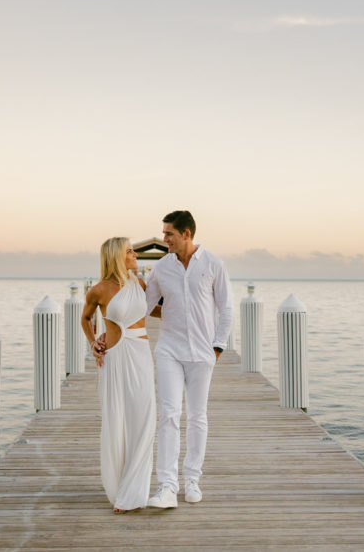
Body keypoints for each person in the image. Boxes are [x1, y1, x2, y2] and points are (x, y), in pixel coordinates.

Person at [144, 210, 233, 508]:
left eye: (169, 233)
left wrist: (217, 347)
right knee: (168, 415)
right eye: (164, 233)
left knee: (197, 416)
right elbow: (147, 306)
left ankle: (192, 478)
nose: (164, 238)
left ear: (186, 234)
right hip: (169, 349)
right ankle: (167, 486)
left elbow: (227, 309)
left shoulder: (213, 264)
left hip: (202, 352)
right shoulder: (160, 269)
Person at [81, 237, 156, 513]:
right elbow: (85, 318)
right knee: (117, 420)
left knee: (144, 419)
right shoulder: (98, 290)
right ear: (116, 256)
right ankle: (122, 486)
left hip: (141, 356)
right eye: (129, 251)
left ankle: (134, 489)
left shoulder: (139, 283)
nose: (135, 254)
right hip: (114, 359)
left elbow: (154, 310)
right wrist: (93, 342)